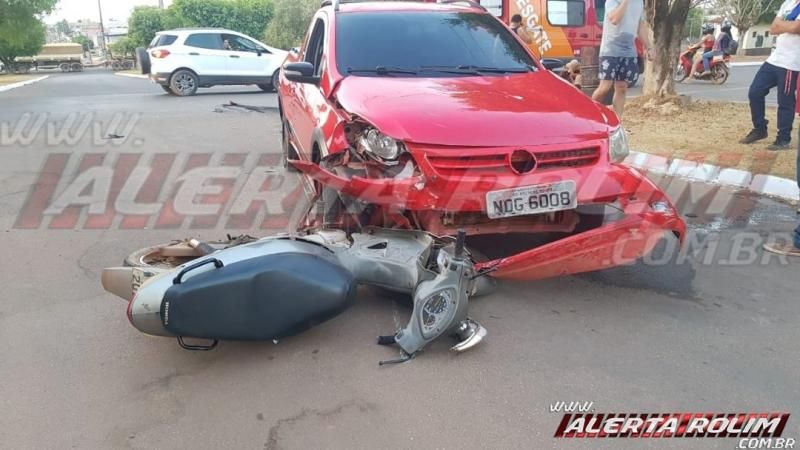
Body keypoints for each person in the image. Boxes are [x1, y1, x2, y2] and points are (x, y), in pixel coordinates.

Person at [740, 0, 800, 150]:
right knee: (755, 92)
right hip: (774, 59)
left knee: (785, 102)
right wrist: (789, 26)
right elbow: (773, 28)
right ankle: (760, 129)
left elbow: (796, 27)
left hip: (791, 63)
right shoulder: (788, 3)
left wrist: (784, 25)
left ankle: (783, 139)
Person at [591, 0, 653, 116]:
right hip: (610, 50)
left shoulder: (639, 2)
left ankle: (618, 121)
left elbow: (640, 25)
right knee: (605, 87)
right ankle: (590, 114)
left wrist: (649, 47)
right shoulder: (612, 1)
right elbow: (615, 19)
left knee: (622, 87)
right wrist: (625, 2)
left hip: (629, 51)